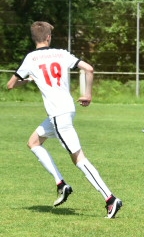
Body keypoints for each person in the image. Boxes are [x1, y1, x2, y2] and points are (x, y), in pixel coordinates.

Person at [6, 21, 123, 218]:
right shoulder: (61, 53)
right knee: (33, 142)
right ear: (48, 37)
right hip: (66, 110)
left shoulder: (30, 58)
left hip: (58, 115)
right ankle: (61, 184)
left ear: (34, 38)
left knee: (79, 158)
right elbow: (89, 68)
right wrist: (88, 94)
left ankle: (110, 199)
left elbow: (10, 85)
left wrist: (28, 80)